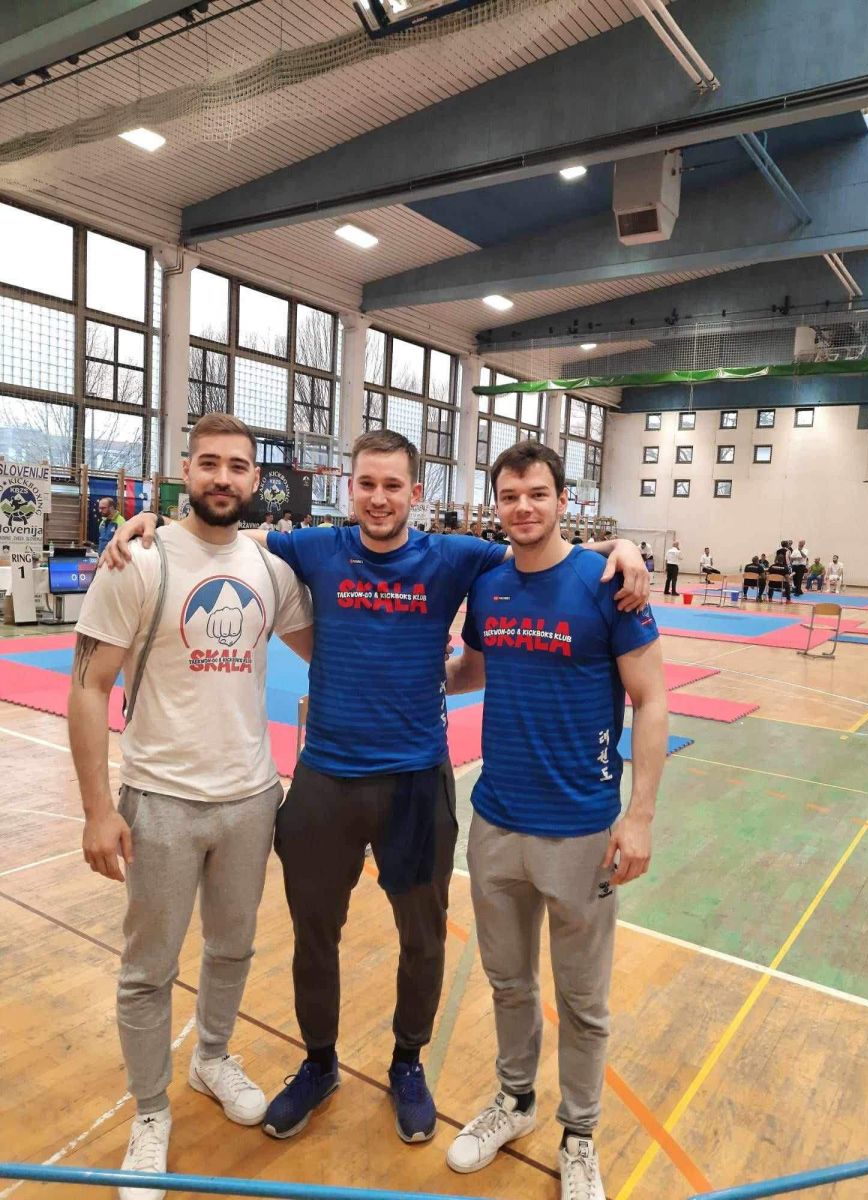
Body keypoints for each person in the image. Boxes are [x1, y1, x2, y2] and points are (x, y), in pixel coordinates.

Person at [104, 431, 650, 1151]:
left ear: (416, 493)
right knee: (313, 936)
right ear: (349, 488)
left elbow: (541, 549)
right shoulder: (316, 548)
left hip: (416, 784)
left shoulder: (457, 557)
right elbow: (227, 533)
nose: (380, 498)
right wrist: (149, 524)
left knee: (422, 938)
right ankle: (319, 1062)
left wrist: (621, 547)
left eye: (394, 485)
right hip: (325, 780)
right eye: (367, 484)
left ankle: (407, 1063)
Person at [70, 415, 313, 1200]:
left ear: (255, 480)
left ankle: (211, 1057)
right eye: (209, 463)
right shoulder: (139, 560)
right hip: (161, 800)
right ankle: (149, 1111)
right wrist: (97, 809)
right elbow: (87, 687)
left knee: (233, 949)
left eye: (237, 466)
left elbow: (333, 646)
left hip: (251, 797)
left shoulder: (270, 567)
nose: (223, 477)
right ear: (185, 470)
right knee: (149, 969)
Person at [445, 442, 667, 1200]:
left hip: (581, 830)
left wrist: (639, 817)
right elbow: (476, 667)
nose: (523, 508)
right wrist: (418, 674)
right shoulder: (490, 583)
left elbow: (652, 699)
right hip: (496, 822)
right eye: (510, 496)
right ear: (496, 504)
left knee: (582, 1002)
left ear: (563, 499)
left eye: (537, 493)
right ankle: (514, 1101)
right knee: (508, 982)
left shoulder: (607, 584)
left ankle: (579, 1135)